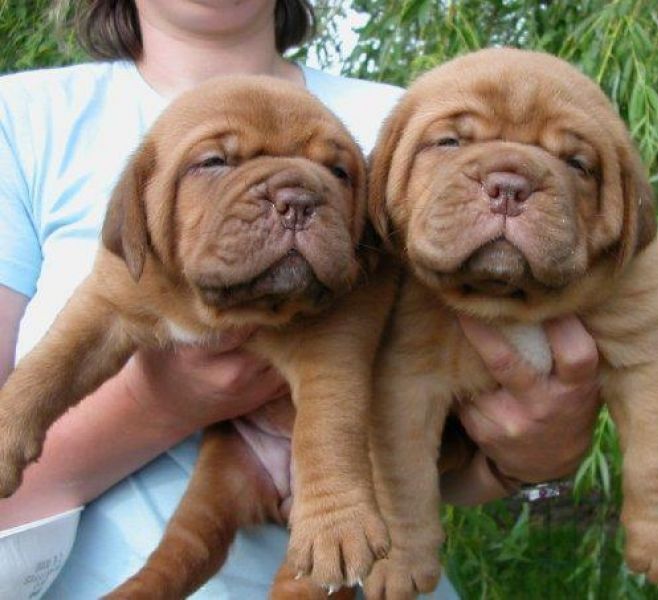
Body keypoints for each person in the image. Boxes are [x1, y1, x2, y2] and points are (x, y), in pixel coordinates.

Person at [0, 0, 601, 597]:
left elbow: (435, 423)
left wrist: (525, 462)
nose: (292, 204)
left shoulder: (424, 125)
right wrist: (160, 401)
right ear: (137, 208)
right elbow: (89, 329)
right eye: (216, 162)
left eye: (336, 173)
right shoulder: (24, 120)